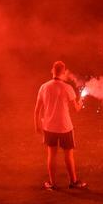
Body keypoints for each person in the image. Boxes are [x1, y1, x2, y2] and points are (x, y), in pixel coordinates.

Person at [34, 60, 86, 190]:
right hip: (65, 127)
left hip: (49, 127)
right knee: (68, 155)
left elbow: (37, 109)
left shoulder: (44, 87)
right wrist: (81, 102)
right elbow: (76, 109)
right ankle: (73, 182)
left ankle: (52, 183)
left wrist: (36, 125)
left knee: (51, 154)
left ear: (52, 70)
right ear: (63, 72)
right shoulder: (67, 88)